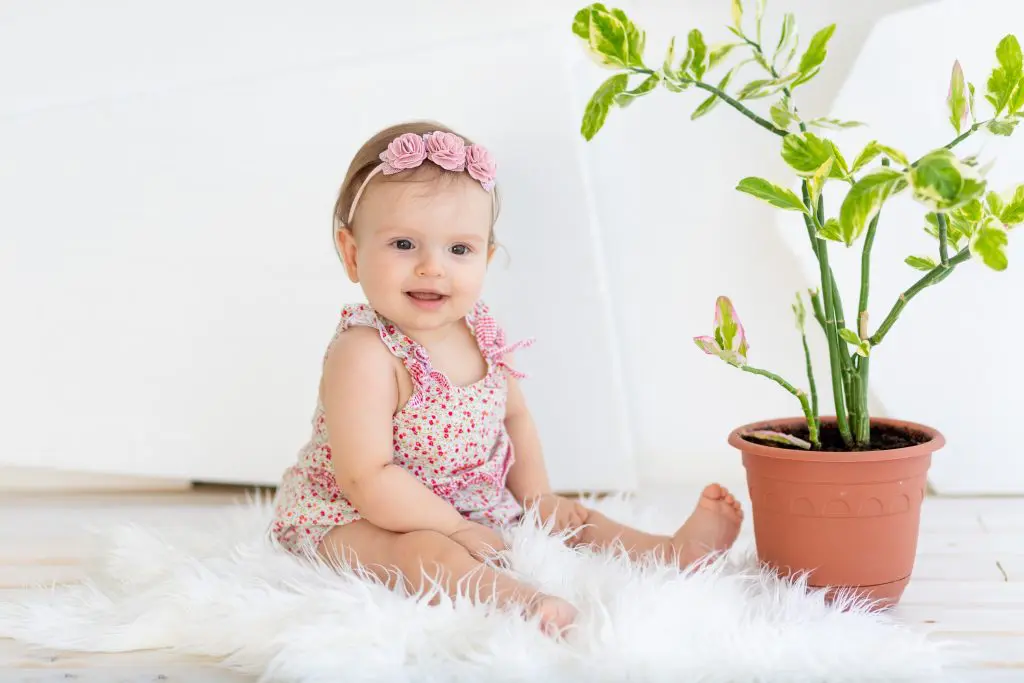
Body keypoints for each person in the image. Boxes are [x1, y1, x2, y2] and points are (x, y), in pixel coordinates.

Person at [269, 120, 744, 636]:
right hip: (353, 515)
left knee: (572, 519)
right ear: (353, 253)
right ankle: (517, 602)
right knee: (419, 552)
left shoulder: (479, 331)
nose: (433, 268)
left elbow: (512, 414)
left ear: (487, 258)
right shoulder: (364, 353)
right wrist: (453, 527)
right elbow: (367, 477)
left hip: (472, 501)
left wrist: (538, 498)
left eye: (459, 250)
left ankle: (670, 552)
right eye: (404, 244)